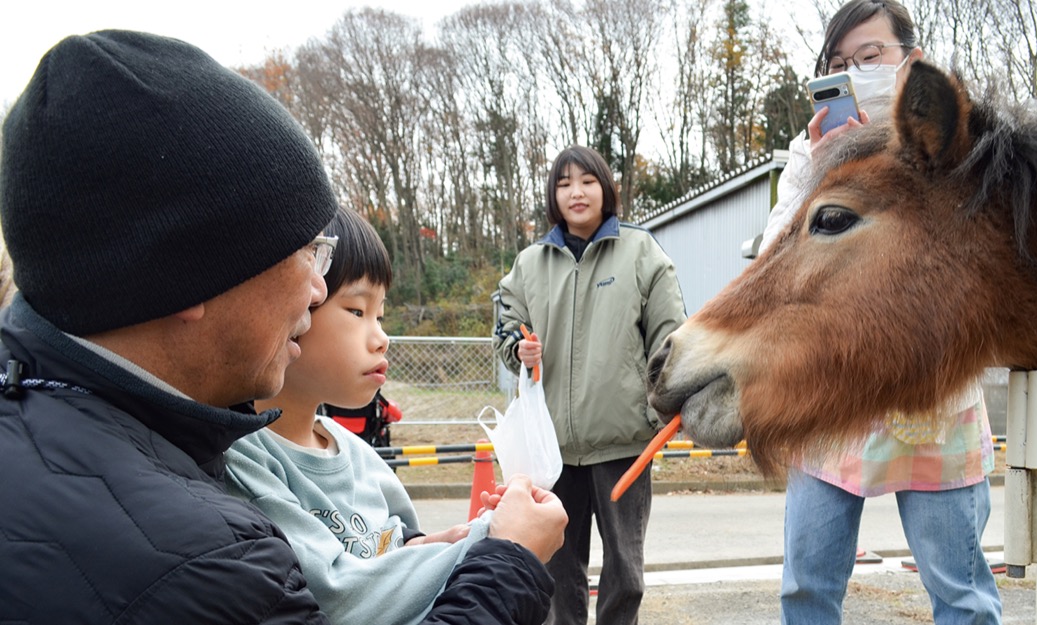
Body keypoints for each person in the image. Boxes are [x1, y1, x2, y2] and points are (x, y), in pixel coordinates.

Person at [0, 30, 561, 625]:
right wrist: (511, 561)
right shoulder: (204, 563)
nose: (317, 290)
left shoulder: (53, 425)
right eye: (310, 253)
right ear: (193, 277)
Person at [760, 2, 1004, 624]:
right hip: (833, 393)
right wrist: (824, 169)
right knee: (806, 587)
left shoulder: (956, 143)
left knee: (961, 593)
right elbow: (770, 260)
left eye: (871, 57)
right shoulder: (807, 152)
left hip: (932, 395)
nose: (856, 71)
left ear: (911, 61)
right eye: (840, 64)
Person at [225, 206, 567, 625]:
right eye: (357, 311)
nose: (381, 337)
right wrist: (500, 541)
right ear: (295, 304)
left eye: (381, 315)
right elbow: (338, 595)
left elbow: (398, 547)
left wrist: (441, 543)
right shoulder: (245, 460)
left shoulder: (355, 450)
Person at [493, 145, 688, 625]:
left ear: (606, 189)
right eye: (564, 184)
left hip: (625, 443)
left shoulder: (642, 252)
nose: (576, 192)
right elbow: (505, 328)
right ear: (552, 196)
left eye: (586, 181)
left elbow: (671, 340)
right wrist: (520, 346)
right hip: (552, 449)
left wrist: (657, 411)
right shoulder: (530, 263)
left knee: (626, 570)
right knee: (557, 571)